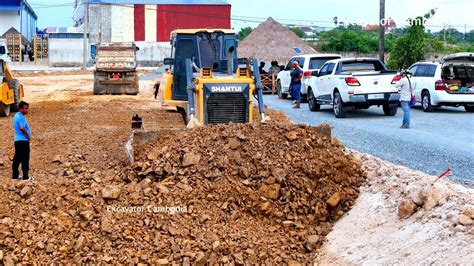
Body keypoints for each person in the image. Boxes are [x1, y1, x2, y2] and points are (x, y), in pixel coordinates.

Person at [12, 101, 33, 180]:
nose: (27, 110)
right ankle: (25, 177)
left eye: (27, 108)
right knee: (25, 158)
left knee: (17, 158)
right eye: (26, 108)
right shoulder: (21, 117)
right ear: (21, 109)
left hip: (18, 140)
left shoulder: (16, 115)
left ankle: (15, 176)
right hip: (23, 140)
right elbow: (22, 128)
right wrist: (28, 136)